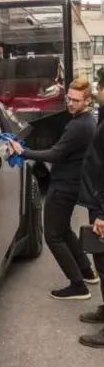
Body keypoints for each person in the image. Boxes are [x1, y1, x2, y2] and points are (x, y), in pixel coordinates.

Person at [9, 76, 98, 300]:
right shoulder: (84, 122)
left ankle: (78, 286)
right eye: (69, 99)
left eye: (76, 101)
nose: (70, 103)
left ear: (87, 102)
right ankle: (87, 272)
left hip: (63, 187)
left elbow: (55, 154)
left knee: (53, 237)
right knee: (64, 230)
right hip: (72, 184)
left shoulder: (79, 126)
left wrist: (23, 152)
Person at [77, 75, 104, 347]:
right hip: (97, 201)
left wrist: (102, 214)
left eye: (99, 87)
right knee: (101, 261)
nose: (97, 91)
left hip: (102, 205)